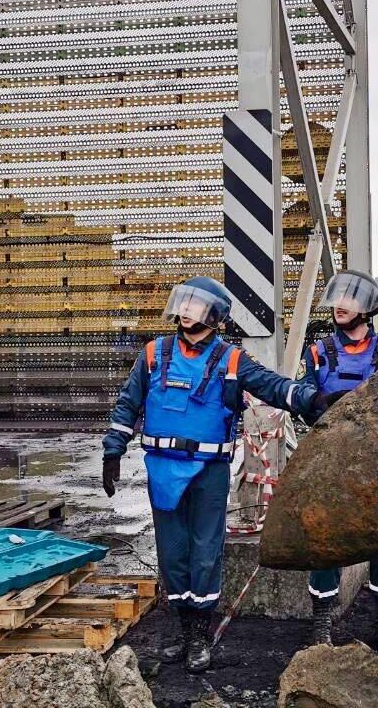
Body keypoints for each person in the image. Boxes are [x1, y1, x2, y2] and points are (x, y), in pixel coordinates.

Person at [101, 276, 336, 672]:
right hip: (162, 471)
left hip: (208, 472)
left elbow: (272, 387)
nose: (187, 316)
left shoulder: (232, 360)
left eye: (196, 309)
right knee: (172, 555)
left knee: (205, 553)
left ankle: (199, 637)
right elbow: (129, 403)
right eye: (185, 306)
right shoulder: (154, 354)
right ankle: (182, 630)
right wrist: (113, 451)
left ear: (214, 318)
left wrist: (313, 398)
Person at [299, 269, 378, 653]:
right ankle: (322, 625)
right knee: (325, 542)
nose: (341, 305)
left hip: (377, 466)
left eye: (351, 299)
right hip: (330, 464)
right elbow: (306, 395)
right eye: (338, 297)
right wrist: (314, 401)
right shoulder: (319, 352)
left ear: (369, 309)